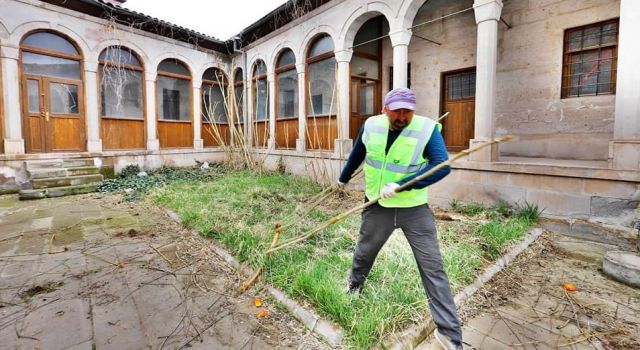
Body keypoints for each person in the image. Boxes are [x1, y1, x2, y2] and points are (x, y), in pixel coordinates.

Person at [337, 88, 463, 350]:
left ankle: (449, 333)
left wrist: (402, 185)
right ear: (385, 109)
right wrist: (343, 178)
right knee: (364, 251)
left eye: (408, 111)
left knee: (433, 268)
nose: (402, 116)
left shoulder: (427, 129)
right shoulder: (371, 125)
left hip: (414, 209)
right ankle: (355, 285)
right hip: (377, 205)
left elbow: (442, 165)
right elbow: (357, 154)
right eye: (397, 111)